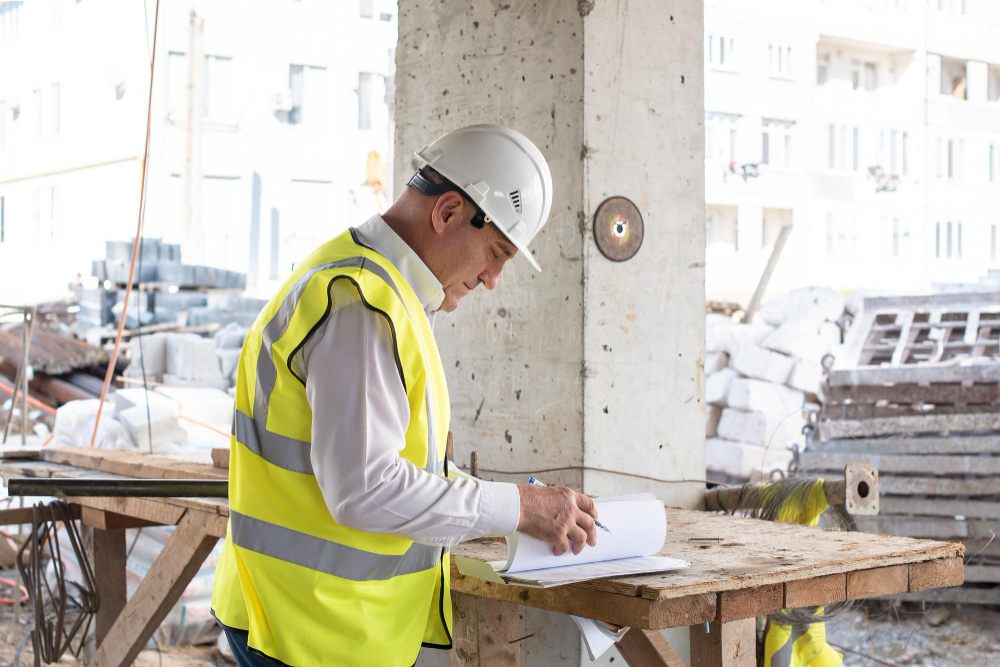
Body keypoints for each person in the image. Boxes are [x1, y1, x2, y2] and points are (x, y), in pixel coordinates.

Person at [211, 124, 600, 666]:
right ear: (446, 213)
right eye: (496, 252)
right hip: (309, 631)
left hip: (314, 623)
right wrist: (515, 507)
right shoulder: (362, 306)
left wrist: (518, 505)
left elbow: (390, 465)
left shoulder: (378, 290)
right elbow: (364, 488)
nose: (492, 279)